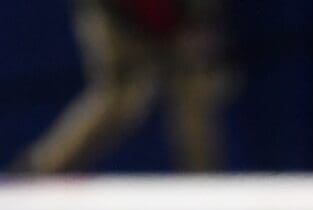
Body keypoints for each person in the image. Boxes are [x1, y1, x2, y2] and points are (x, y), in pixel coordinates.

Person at [13, 0, 229, 174]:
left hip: (180, 18)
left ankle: (205, 185)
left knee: (194, 91)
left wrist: (200, 23)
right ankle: (40, 172)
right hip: (118, 16)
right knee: (119, 93)